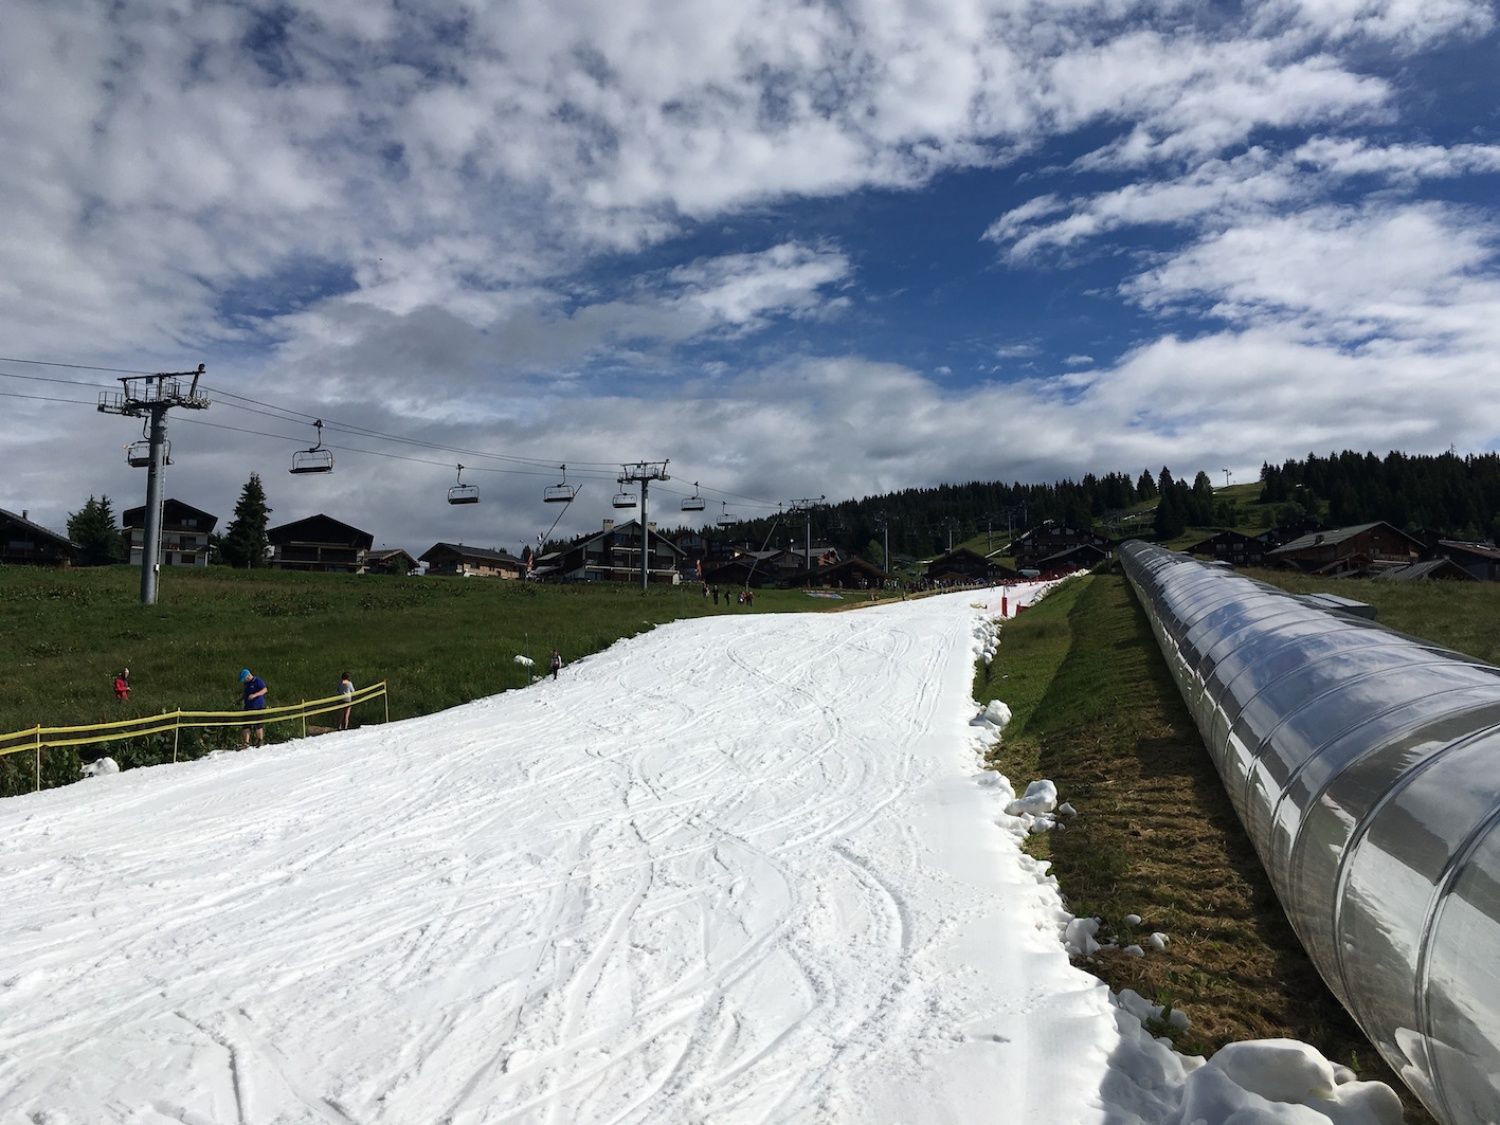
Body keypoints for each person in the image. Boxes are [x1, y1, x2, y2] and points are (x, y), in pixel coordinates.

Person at [240, 667, 268, 747]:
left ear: (248, 676)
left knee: (258, 724)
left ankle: (260, 741)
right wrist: (240, 699)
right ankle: (246, 743)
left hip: (258, 707)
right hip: (248, 707)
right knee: (246, 725)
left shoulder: (257, 681)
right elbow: (246, 694)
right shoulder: (246, 684)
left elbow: (265, 690)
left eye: (244, 678)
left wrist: (255, 695)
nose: (244, 681)